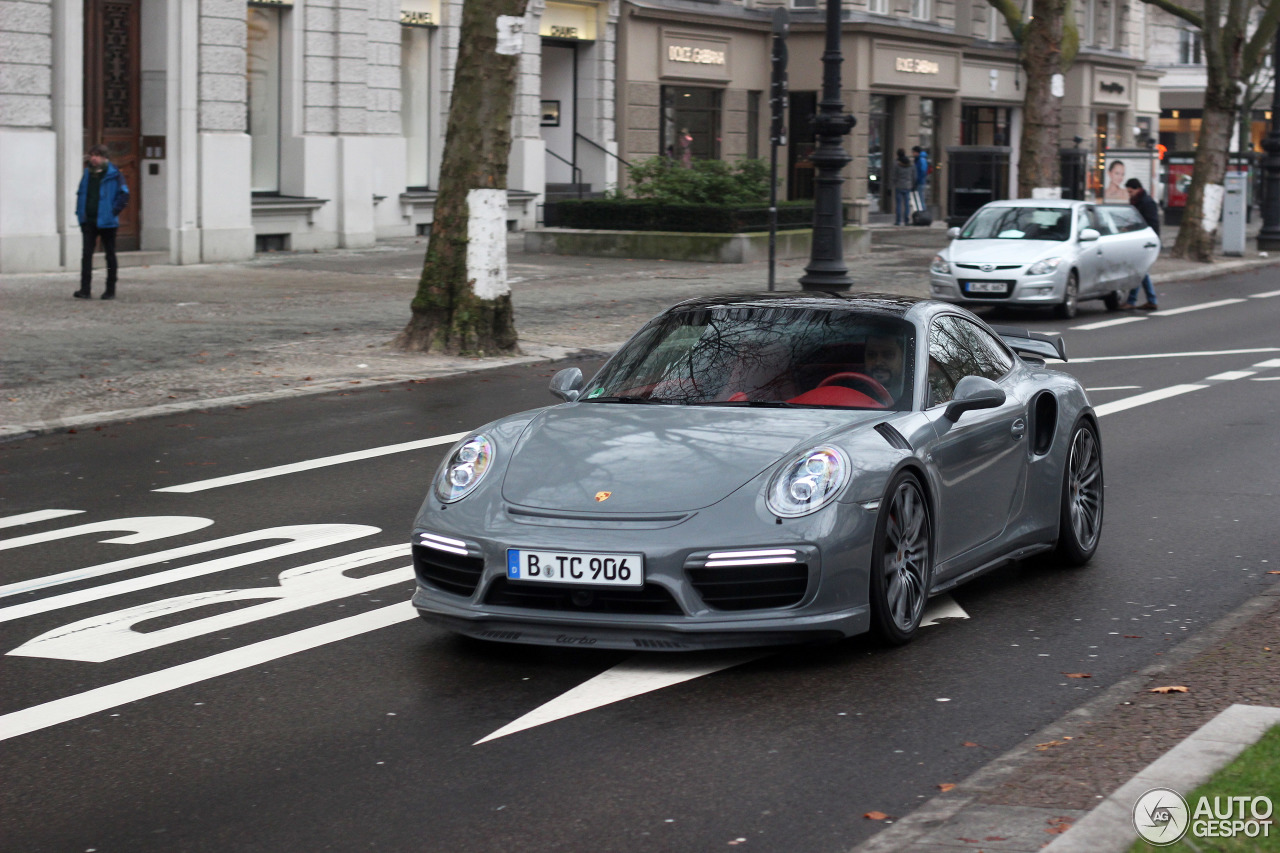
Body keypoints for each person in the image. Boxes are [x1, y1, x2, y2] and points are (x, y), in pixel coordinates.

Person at [74, 144, 130, 300]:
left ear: (105, 157)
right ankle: (85, 289)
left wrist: (113, 211)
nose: (93, 158)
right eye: (92, 155)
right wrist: (80, 213)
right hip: (89, 220)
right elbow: (81, 193)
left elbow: (124, 195)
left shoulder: (114, 174)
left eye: (97, 155)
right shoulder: (87, 174)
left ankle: (110, 289)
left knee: (110, 255)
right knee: (86, 255)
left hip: (107, 221)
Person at [1119, 177, 1159, 310]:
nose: (1129, 194)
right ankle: (1150, 300)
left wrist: (1130, 228)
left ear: (1137, 189)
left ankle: (1133, 300)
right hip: (1141, 239)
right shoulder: (1138, 201)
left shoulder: (1146, 203)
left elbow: (1149, 223)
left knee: (1140, 271)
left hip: (1146, 241)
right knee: (1141, 271)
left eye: (1130, 192)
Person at [865, 333, 906, 405]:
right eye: (871, 355)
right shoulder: (850, 388)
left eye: (888, 355)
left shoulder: (913, 392)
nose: (878, 362)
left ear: (902, 359)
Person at [892, 150, 915, 226]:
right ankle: (906, 221)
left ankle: (898, 221)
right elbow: (914, 175)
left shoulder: (896, 164)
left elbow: (894, 176)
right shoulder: (910, 164)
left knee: (898, 204)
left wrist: (893, 183)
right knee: (907, 204)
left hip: (899, 186)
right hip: (908, 186)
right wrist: (913, 184)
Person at [911, 146, 930, 212]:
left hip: (920, 182)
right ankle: (921, 213)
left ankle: (923, 213)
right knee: (919, 198)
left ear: (917, 152)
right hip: (919, 182)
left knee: (921, 199)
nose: (912, 154)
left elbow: (923, 171)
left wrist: (917, 180)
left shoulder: (921, 160)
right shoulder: (918, 159)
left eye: (913, 152)